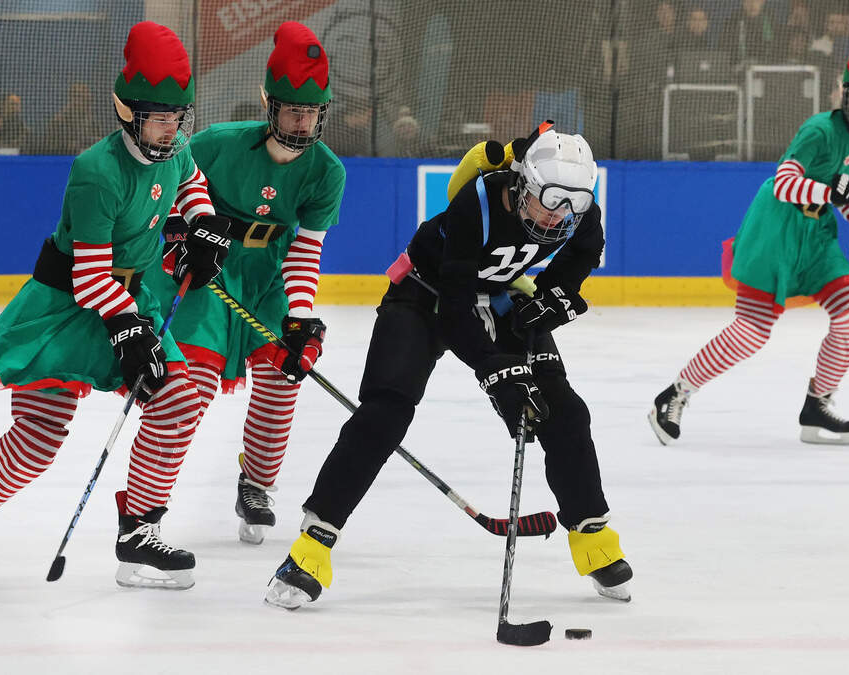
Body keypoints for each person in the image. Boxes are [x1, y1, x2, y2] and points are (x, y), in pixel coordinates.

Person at [263, 123, 633, 611]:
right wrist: (497, 371)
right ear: (523, 183)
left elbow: (581, 254)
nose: (558, 215)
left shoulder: (578, 213)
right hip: (425, 294)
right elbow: (456, 311)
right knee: (385, 412)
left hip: (501, 297)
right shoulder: (477, 203)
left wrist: (550, 298)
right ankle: (312, 544)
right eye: (549, 199)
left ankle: (593, 536)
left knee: (564, 412)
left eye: (574, 204)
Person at [0, 21, 228, 590]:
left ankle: (138, 531)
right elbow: (88, 277)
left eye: (178, 117)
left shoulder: (174, 150)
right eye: (158, 117)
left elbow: (191, 181)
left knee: (178, 403)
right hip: (67, 307)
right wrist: (128, 329)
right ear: (127, 112)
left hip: (127, 300)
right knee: (39, 436)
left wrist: (202, 224)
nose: (171, 130)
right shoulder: (96, 172)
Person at [146, 21, 346, 546]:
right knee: (191, 385)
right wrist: (178, 237)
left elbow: (305, 249)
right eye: (292, 110)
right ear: (268, 103)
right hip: (210, 268)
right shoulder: (217, 143)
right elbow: (169, 187)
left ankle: (256, 485)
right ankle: (147, 509)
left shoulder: (328, 172)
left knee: (284, 375)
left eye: (311, 112)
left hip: (269, 275)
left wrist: (299, 316)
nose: (302, 123)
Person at [649, 35, 849, 447]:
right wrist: (835, 192)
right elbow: (784, 183)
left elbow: (846, 195)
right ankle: (675, 394)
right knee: (751, 331)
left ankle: (817, 405)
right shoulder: (819, 130)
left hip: (816, 236)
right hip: (776, 229)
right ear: (844, 93)